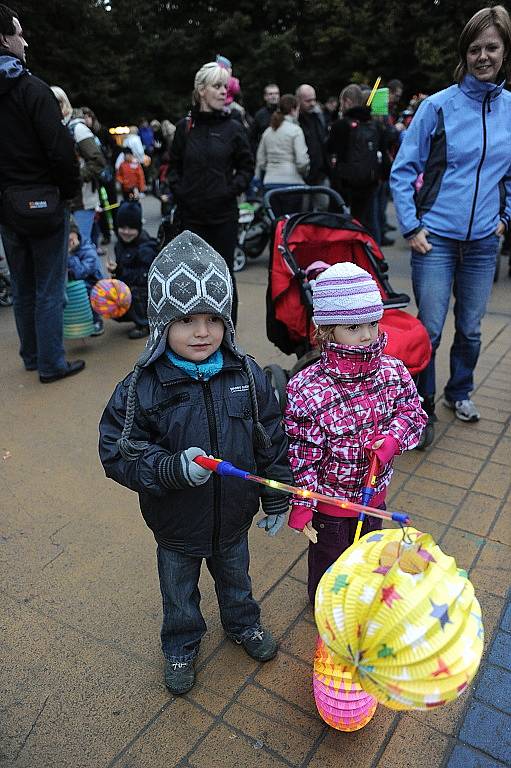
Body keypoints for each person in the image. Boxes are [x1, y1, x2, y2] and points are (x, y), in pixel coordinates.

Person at [99, 231, 291, 694]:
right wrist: (171, 469)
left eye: (212, 318)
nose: (201, 332)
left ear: (227, 319)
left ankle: (242, 623)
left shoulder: (246, 374)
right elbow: (117, 452)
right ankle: (181, 644)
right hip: (176, 524)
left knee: (237, 579)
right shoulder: (142, 385)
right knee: (179, 593)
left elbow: (271, 437)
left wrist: (276, 496)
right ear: (162, 324)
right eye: (185, 320)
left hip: (233, 517)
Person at [390, 4, 511, 429]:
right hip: (435, 239)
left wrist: (505, 218)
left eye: (492, 47)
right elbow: (403, 169)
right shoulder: (438, 106)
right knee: (431, 331)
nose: (483, 56)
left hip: (483, 242)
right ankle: (418, 408)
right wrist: (410, 225)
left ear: (504, 51)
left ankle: (459, 393)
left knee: (472, 330)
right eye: (475, 48)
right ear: (464, 52)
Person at [284, 263, 427, 603]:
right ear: (326, 331)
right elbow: (304, 454)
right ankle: (325, 604)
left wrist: (393, 439)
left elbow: (413, 413)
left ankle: (358, 599)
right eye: (353, 327)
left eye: (373, 323)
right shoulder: (307, 388)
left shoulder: (392, 371)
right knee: (328, 561)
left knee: (367, 557)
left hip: (374, 497)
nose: (367, 335)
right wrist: (303, 501)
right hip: (330, 505)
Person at [0, 4, 85, 383]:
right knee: (50, 287)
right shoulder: (33, 90)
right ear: (4, 39)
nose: (25, 40)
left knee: (23, 286)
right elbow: (59, 150)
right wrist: (69, 193)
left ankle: (32, 355)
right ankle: (51, 363)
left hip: (6, 205)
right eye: (18, 32)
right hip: (45, 203)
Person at [168, 61, 254, 326]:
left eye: (225, 87)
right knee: (192, 278)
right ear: (201, 90)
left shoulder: (234, 128)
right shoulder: (185, 128)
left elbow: (247, 166)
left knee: (224, 278)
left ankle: (228, 338)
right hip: (191, 218)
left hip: (223, 218)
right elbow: (173, 167)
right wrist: (181, 192)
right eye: (217, 86)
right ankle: (197, 337)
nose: (223, 92)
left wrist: (229, 191)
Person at [328, 83, 384, 238]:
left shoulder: (340, 125)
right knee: (367, 224)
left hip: (344, 184)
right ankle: (372, 258)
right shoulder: (373, 125)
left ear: (346, 101)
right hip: (368, 183)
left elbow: (330, 150)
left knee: (340, 225)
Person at [51, 88, 106, 244]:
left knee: (80, 245)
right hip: (65, 200)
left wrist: (75, 178)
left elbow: (98, 161)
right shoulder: (57, 127)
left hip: (81, 200)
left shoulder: (77, 129)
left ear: (62, 104)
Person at [109, 201, 158, 339]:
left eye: (131, 228)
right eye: (122, 227)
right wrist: (116, 271)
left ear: (139, 227)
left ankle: (145, 323)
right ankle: (131, 316)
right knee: (108, 291)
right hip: (130, 285)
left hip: (147, 291)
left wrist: (122, 275)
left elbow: (145, 278)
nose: (126, 232)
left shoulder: (146, 248)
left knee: (135, 290)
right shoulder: (120, 244)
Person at [255, 94, 309, 192]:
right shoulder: (296, 130)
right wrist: (304, 172)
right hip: (292, 181)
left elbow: (261, 160)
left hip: (270, 183)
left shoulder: (268, 131)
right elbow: (302, 161)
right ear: (293, 110)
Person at [82, 106, 119, 243]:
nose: (86, 120)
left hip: (107, 172)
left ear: (92, 117)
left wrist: (111, 163)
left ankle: (117, 229)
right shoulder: (84, 134)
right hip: (95, 176)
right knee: (101, 206)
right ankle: (106, 234)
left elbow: (115, 147)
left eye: (87, 117)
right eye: (83, 117)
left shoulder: (102, 131)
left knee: (113, 202)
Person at [67, 220, 104, 336]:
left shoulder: (87, 250)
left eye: (70, 239)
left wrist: (70, 255)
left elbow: (80, 273)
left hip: (92, 283)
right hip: (73, 281)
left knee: (84, 290)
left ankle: (96, 320)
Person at [296, 83, 330, 185]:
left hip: (321, 174)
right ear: (298, 100)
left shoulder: (319, 117)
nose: (312, 103)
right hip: (302, 175)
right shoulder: (294, 121)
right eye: (308, 101)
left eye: (313, 99)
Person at [249, 83, 280, 153]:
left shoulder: (284, 113)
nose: (274, 96)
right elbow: (252, 137)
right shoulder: (260, 115)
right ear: (265, 97)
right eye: (270, 94)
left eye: (276, 93)